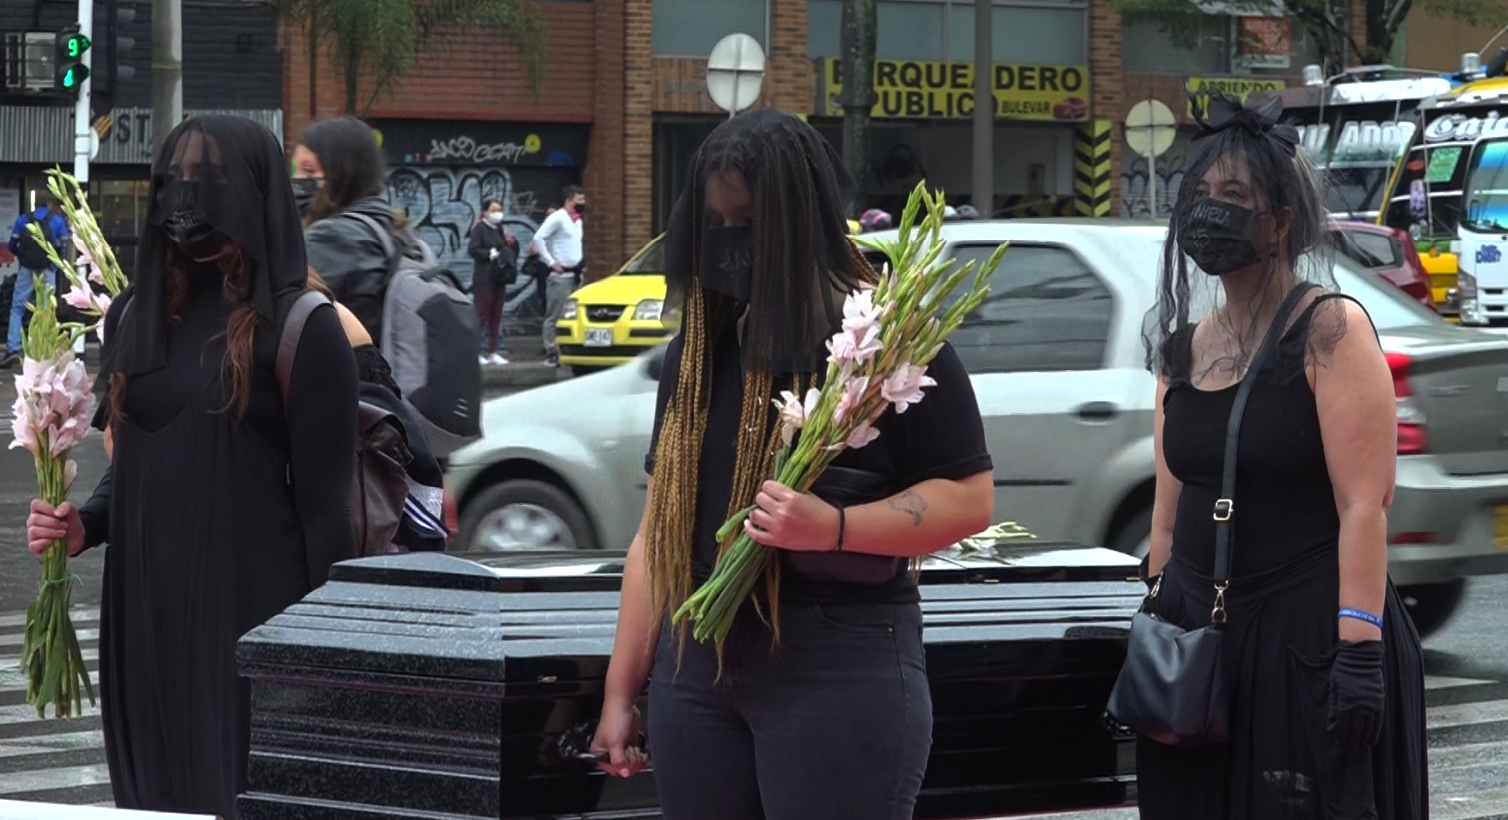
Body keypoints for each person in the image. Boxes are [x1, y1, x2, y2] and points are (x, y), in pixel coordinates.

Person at [589, 108, 995, 820]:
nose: (728, 244)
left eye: (745, 222)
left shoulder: (883, 342)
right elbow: (657, 537)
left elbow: (968, 500)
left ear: (800, 221)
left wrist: (833, 526)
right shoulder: (698, 353)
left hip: (839, 662)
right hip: (697, 671)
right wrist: (622, 693)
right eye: (714, 225)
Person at [25, 115, 359, 817]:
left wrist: (320, 667)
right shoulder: (132, 317)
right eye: (172, 179)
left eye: (208, 181)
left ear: (254, 191)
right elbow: (137, 452)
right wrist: (84, 524)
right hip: (143, 616)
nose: (186, 200)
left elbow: (328, 515)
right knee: (151, 799)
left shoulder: (302, 326)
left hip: (250, 624)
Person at [1138, 91, 1427, 818]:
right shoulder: (1181, 348)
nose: (1210, 210)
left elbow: (1365, 503)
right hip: (1199, 650)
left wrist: (1357, 650)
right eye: (1200, 193)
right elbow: (1166, 520)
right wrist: (1154, 618)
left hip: (1308, 646)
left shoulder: (1330, 329)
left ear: (1283, 220)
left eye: (1233, 195)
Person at [293, 116, 403, 340]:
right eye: (296, 169)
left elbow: (279, 312)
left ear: (342, 174)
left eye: (309, 171)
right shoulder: (390, 228)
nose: (297, 180)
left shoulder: (331, 237)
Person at [3, 195, 71, 367]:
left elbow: (12, 246)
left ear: (34, 203)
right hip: (47, 270)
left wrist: (23, 258)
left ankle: (13, 348)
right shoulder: (57, 221)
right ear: (49, 204)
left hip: (26, 270)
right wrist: (55, 267)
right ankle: (45, 349)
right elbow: (64, 249)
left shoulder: (23, 219)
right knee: (46, 309)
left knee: (18, 308)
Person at [533, 186, 586, 366]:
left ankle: (569, 349)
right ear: (570, 200)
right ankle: (550, 351)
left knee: (574, 314)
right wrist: (551, 262)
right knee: (554, 315)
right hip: (561, 276)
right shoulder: (557, 218)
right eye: (580, 200)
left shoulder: (577, 221)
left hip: (576, 274)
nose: (583, 203)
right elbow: (538, 238)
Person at [468, 197, 518, 365]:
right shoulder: (480, 229)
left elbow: (503, 245)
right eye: (493, 211)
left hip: (499, 277)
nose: (497, 214)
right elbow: (473, 250)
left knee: (496, 315)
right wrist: (488, 254)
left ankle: (493, 352)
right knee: (481, 313)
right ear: (485, 212)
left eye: (499, 210)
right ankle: (475, 351)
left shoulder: (499, 228)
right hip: (484, 278)